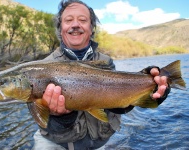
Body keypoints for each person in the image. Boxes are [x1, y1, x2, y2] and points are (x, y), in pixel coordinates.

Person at [33, 0, 170, 150]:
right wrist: (61, 118)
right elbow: (43, 123)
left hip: (97, 144)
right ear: (61, 29)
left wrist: (150, 89)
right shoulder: (41, 69)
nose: (75, 24)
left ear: (91, 28)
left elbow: (117, 102)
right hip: (55, 144)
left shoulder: (105, 61)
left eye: (83, 20)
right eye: (68, 20)